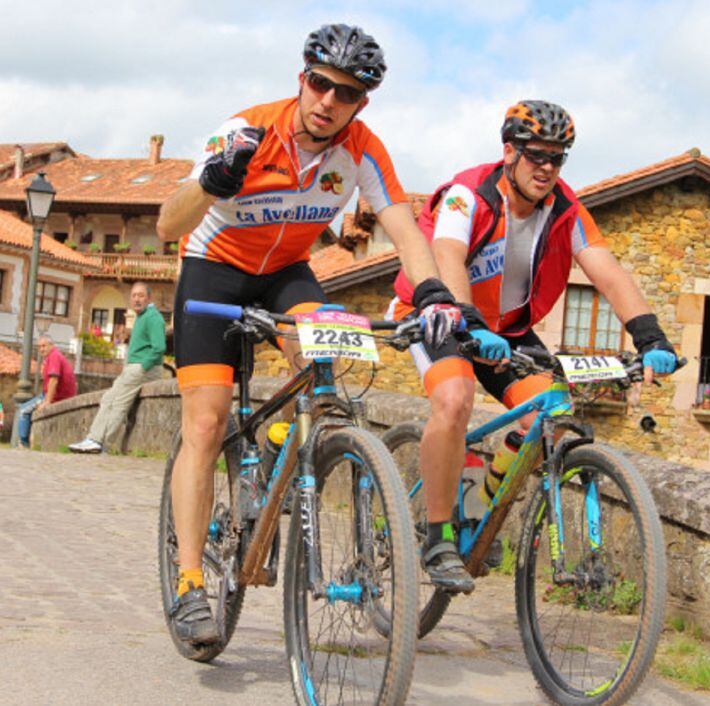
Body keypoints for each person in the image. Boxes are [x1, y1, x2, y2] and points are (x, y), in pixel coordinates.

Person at [154, 23, 460, 646]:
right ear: (302, 78)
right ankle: (189, 582)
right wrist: (213, 181)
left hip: (286, 272)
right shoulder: (244, 131)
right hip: (213, 269)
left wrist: (431, 292)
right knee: (207, 423)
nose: (328, 100)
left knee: (329, 365)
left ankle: (276, 440)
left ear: (361, 103)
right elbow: (167, 224)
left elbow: (404, 229)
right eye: (320, 83)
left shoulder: (364, 149)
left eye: (345, 93)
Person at [388, 100, 679, 594]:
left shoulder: (566, 208)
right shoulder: (468, 193)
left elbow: (605, 269)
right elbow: (448, 253)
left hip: (510, 329)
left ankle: (478, 500)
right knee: (454, 399)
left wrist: (650, 335)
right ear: (509, 152)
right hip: (440, 313)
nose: (547, 167)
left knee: (553, 418)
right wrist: (469, 321)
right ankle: (437, 536)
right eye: (536, 155)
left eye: (558, 157)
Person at [69, 282, 166, 453]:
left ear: (149, 298)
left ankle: (99, 441)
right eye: (134, 296)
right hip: (135, 367)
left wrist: (143, 366)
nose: (136, 299)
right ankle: (96, 439)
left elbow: (159, 347)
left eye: (141, 295)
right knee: (108, 398)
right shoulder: (143, 316)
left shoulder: (152, 317)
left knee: (118, 402)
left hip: (143, 368)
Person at [16, 334, 77, 448]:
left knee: (23, 410)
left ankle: (23, 443)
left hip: (57, 396)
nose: (41, 349)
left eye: (44, 346)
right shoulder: (54, 356)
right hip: (60, 395)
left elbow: (54, 380)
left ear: (51, 345)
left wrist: (47, 401)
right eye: (39, 347)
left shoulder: (54, 356)